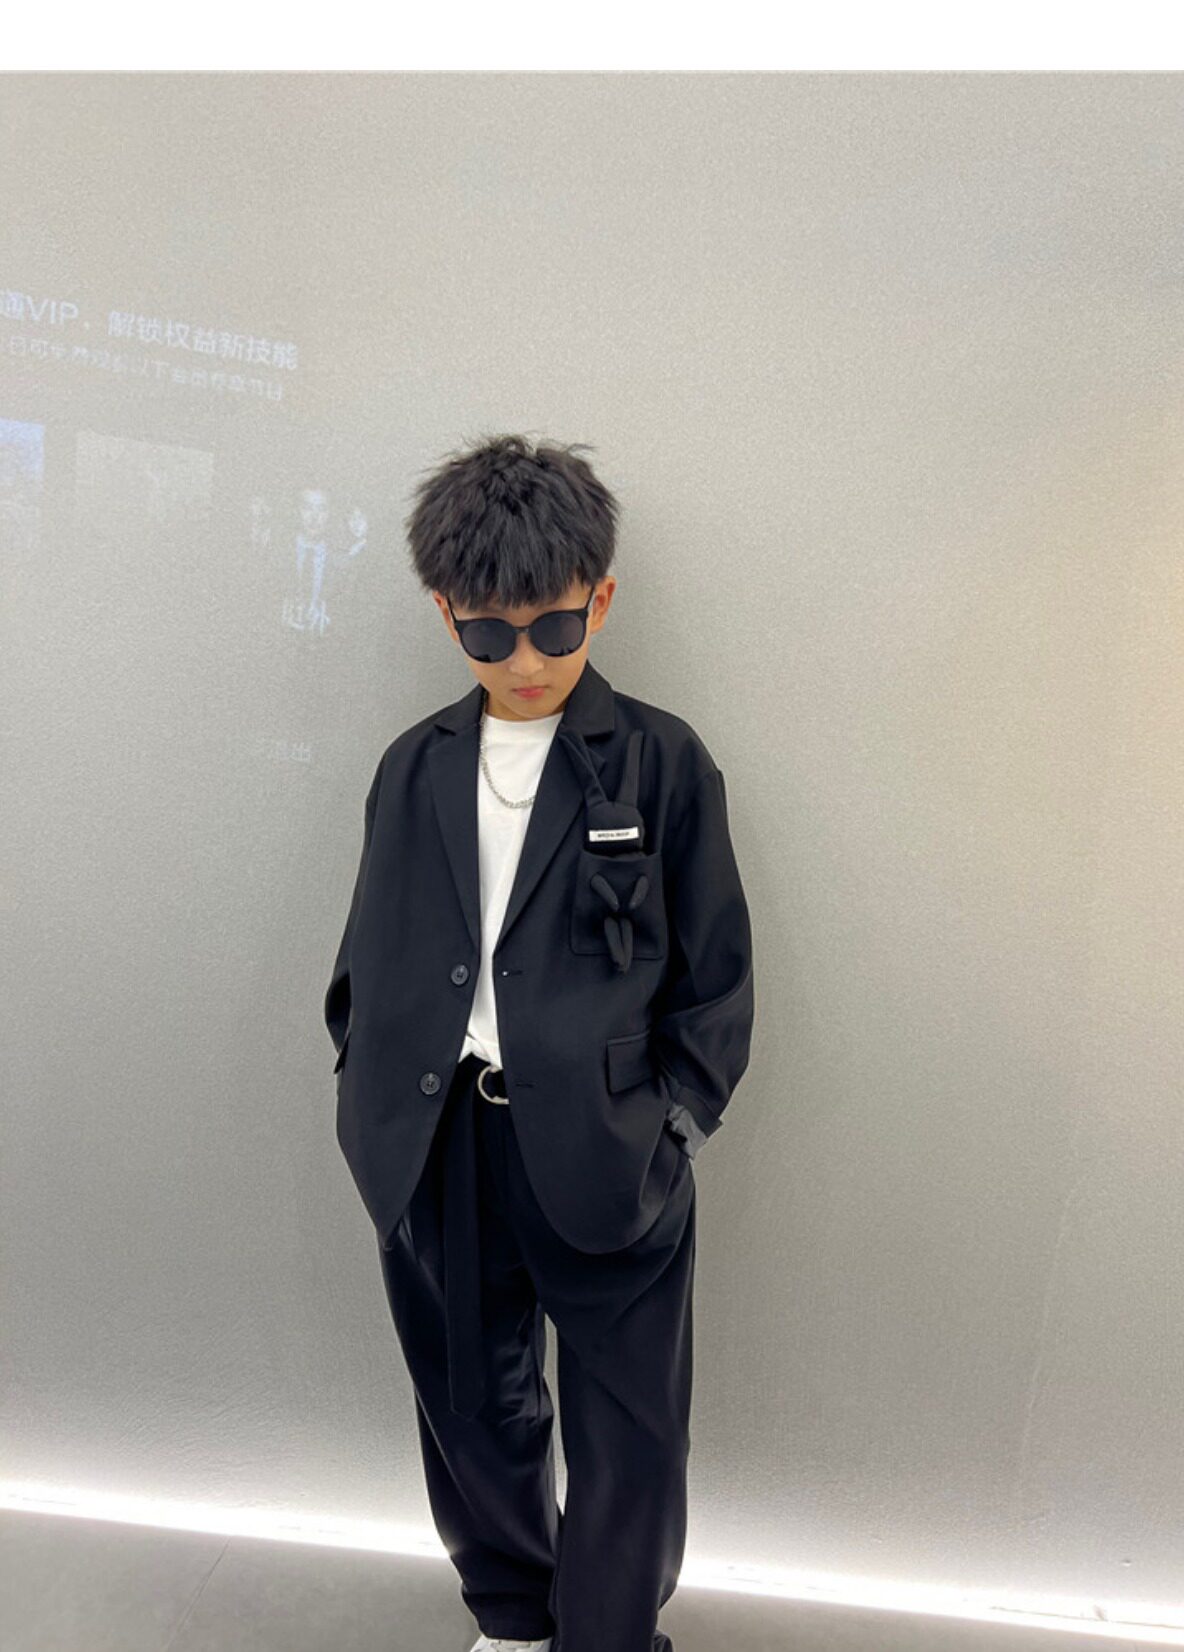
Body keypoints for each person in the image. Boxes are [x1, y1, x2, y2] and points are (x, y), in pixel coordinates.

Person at [324, 433, 754, 1652]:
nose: (524, 662)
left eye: (554, 628)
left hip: (610, 1146)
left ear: (599, 602)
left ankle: (607, 1635)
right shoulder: (413, 767)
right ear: (446, 614)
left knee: (631, 1429)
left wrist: (671, 1122)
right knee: (472, 1404)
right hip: (439, 1142)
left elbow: (717, 975)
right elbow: (369, 952)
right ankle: (513, 1615)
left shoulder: (663, 761)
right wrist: (365, 1085)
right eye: (489, 634)